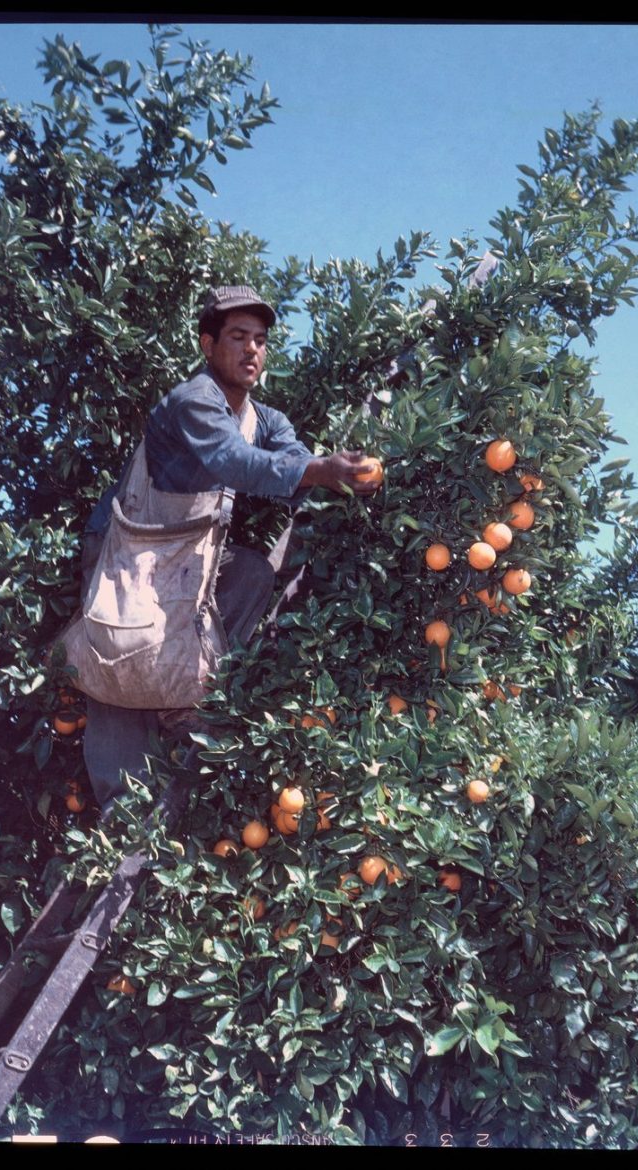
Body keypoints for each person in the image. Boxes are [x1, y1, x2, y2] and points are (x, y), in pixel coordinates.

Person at [81, 284, 379, 808]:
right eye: (237, 337)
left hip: (186, 555)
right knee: (119, 664)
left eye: (260, 340)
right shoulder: (192, 400)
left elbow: (290, 461)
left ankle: (190, 697)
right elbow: (233, 461)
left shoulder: (266, 420)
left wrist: (336, 473)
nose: (252, 351)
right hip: (126, 553)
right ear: (207, 344)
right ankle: (117, 813)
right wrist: (318, 469)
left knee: (249, 574)